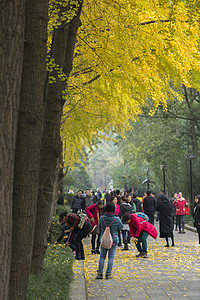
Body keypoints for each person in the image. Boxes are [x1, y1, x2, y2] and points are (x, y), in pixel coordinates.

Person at [96, 202, 123, 279]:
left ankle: (100, 273)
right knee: (111, 257)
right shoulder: (116, 219)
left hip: (104, 240)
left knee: (102, 257)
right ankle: (108, 274)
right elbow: (121, 227)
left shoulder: (102, 218)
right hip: (113, 240)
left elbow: (100, 226)